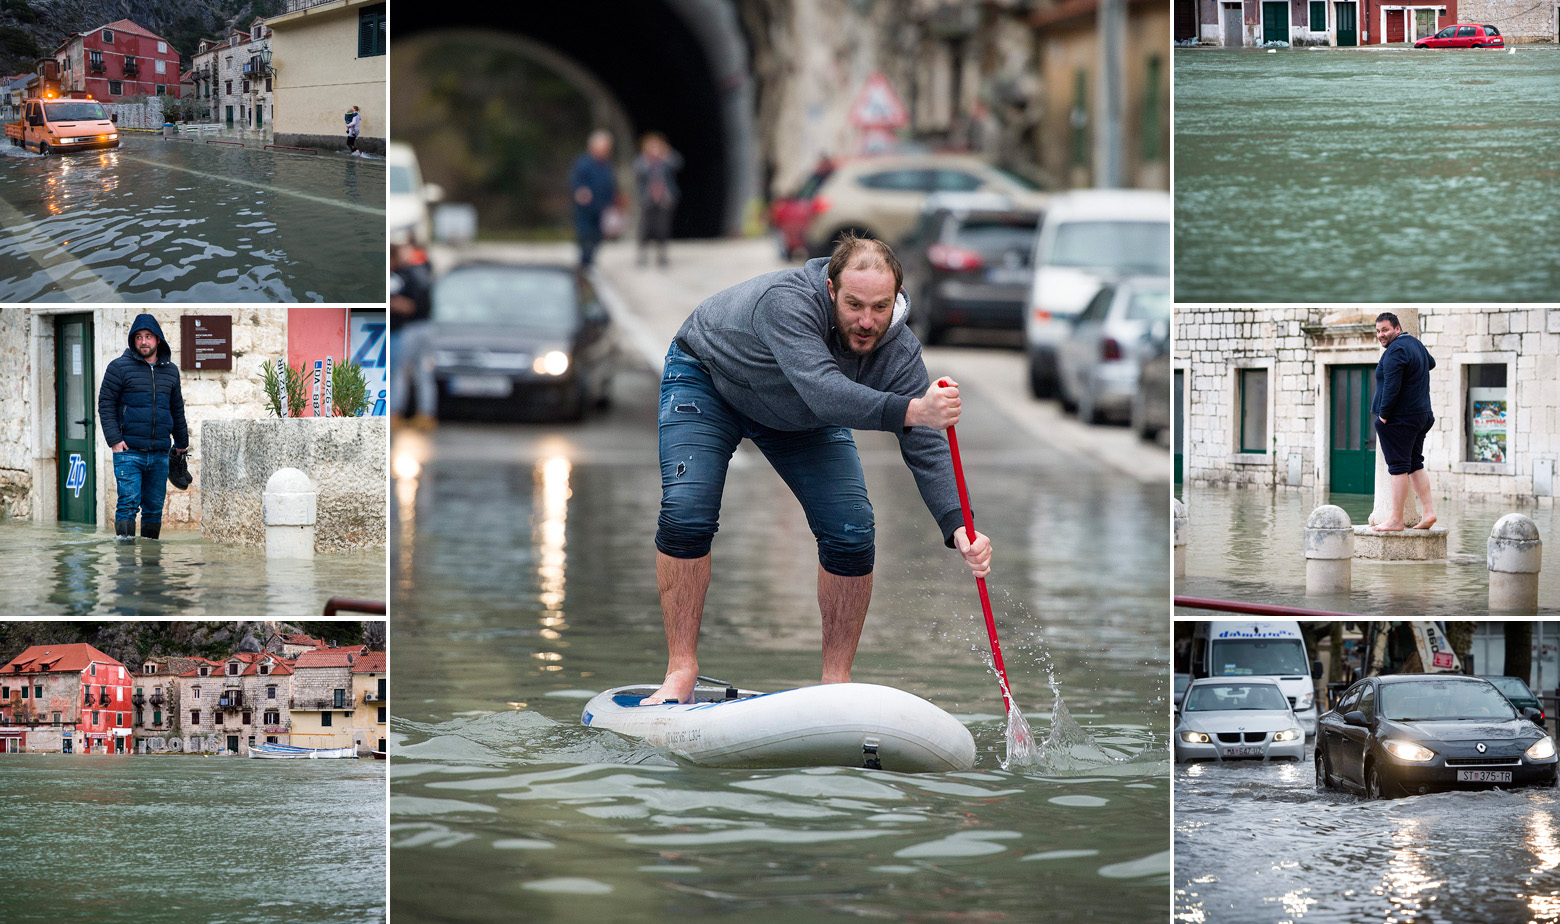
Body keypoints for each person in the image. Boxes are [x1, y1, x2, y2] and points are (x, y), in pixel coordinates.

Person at [645, 232, 992, 705]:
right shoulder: (786, 303)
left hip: (797, 415)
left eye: (880, 307)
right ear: (830, 291)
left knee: (851, 531)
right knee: (688, 513)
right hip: (709, 380)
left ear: (897, 300)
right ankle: (681, 668)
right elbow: (825, 391)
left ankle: (835, 683)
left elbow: (927, 445)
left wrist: (959, 526)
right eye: (854, 305)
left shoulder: (899, 351)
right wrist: (913, 410)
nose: (867, 321)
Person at [98, 314, 189, 541]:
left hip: (160, 454)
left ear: (158, 340)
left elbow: (176, 409)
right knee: (128, 505)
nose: (144, 342)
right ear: (133, 340)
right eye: (138, 337)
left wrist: (181, 444)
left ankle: (151, 568)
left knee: (154, 509)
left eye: (148, 336)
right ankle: (126, 567)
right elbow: (105, 405)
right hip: (128, 452)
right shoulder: (118, 367)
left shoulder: (171, 371)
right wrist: (114, 440)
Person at [1370, 312, 1437, 532]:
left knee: (1397, 467)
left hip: (1400, 419)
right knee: (1415, 463)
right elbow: (1431, 363)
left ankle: (1396, 519)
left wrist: (1383, 416)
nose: (1381, 335)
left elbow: (1391, 386)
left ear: (1397, 329)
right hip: (1422, 415)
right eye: (1378, 331)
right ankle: (1428, 513)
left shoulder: (1395, 350)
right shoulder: (1415, 344)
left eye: (1385, 330)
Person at [389, 241, 435, 427]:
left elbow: (408, 306)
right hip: (427, 327)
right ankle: (426, 414)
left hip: (410, 329)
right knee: (423, 373)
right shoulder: (422, 271)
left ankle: (395, 413)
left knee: (399, 373)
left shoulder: (400, 276)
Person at [568, 130, 617, 270]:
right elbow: (575, 182)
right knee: (585, 234)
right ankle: (585, 261)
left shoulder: (607, 164)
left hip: (602, 206)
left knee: (597, 236)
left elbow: (611, 185)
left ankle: (591, 261)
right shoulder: (583, 163)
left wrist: (613, 202)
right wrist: (580, 192)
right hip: (585, 207)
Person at [634, 132, 682, 268]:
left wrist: (666, 152)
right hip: (648, 199)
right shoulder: (643, 162)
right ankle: (642, 254)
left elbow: (678, 163)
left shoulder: (666, 161)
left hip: (664, 199)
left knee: (663, 228)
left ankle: (662, 255)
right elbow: (637, 168)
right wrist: (647, 157)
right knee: (645, 228)